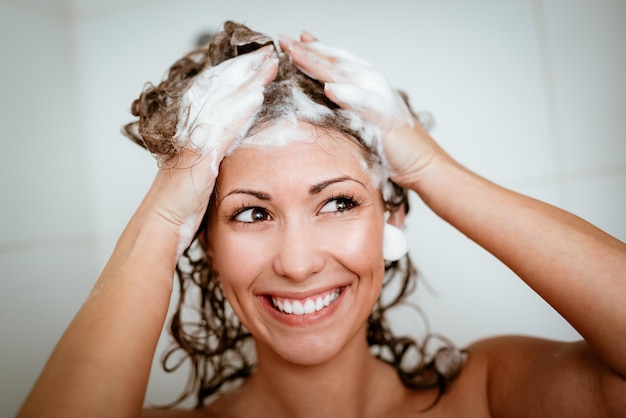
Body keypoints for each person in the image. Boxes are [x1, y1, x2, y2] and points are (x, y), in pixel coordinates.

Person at [17, 21, 626, 418]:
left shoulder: (491, 397)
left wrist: (431, 169)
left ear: (392, 216)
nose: (299, 261)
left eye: (338, 202)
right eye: (251, 213)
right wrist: (163, 214)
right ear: (204, 242)